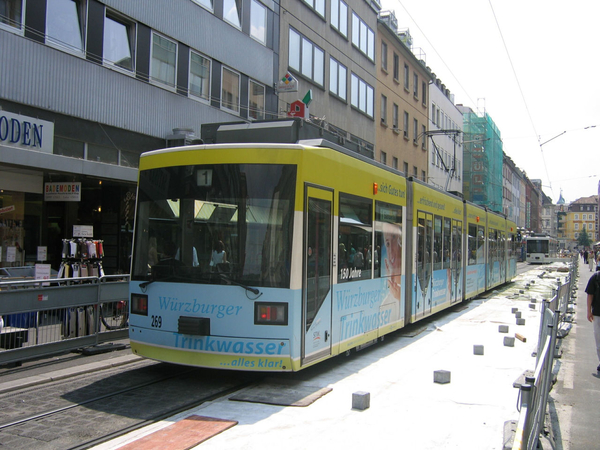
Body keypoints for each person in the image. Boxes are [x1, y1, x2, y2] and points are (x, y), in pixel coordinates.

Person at [586, 268, 600, 372]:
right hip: (597, 314)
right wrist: (588, 311)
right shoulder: (595, 277)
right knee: (598, 340)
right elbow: (590, 295)